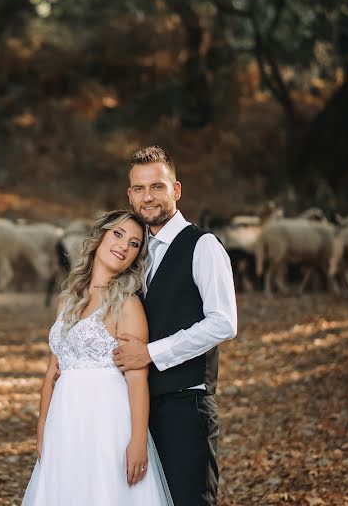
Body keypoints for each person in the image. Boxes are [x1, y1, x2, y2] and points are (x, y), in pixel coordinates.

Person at [22, 210, 174, 506]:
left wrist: (138, 442)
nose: (123, 246)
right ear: (99, 237)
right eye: (118, 234)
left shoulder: (127, 306)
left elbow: (137, 381)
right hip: (64, 421)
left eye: (134, 244)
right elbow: (53, 370)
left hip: (108, 424)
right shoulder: (67, 300)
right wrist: (43, 427)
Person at [113, 146, 238, 506]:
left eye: (157, 186)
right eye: (139, 188)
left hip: (185, 406)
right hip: (135, 408)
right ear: (129, 194)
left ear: (176, 190)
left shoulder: (203, 246)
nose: (147, 197)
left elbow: (224, 322)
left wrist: (150, 354)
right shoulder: (134, 251)